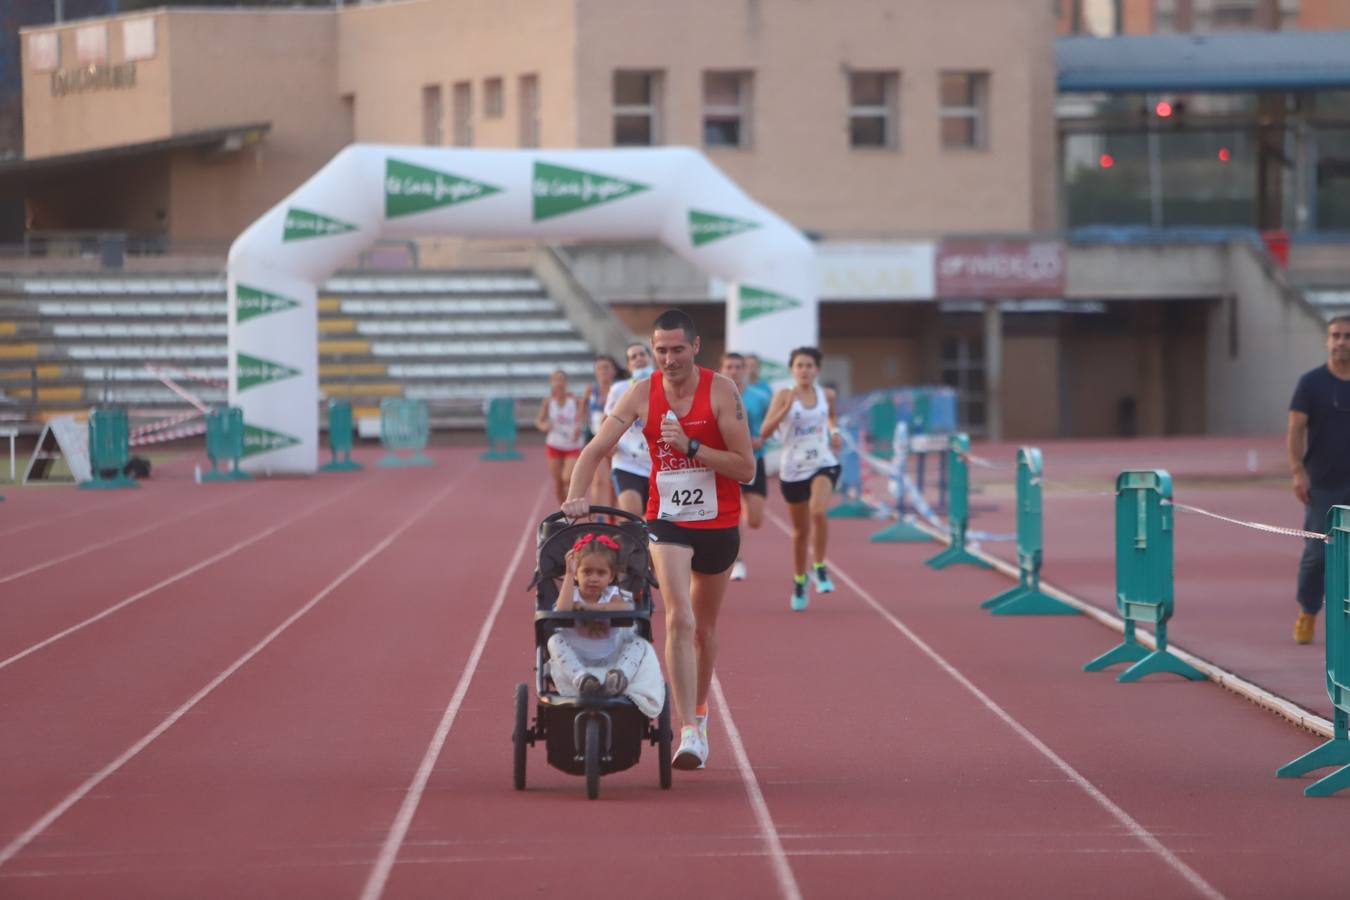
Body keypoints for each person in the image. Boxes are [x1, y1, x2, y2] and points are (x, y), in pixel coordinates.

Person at [562, 309, 755, 771]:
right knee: (679, 617)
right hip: (666, 520)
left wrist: (691, 447)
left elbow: (746, 469)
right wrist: (575, 496)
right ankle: (687, 728)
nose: (667, 359)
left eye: (676, 350)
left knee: (705, 630)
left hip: (718, 523)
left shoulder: (722, 392)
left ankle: (701, 711)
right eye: (660, 350)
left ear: (695, 347)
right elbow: (594, 449)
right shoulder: (641, 393)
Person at [760, 346, 843, 611]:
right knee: (800, 531)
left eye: (809, 365)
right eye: (799, 366)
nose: (804, 370)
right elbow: (764, 431)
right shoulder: (784, 395)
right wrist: (784, 409)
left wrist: (835, 431)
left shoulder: (826, 394)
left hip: (823, 462)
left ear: (817, 370)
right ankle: (799, 579)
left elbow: (830, 415)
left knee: (818, 512)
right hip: (794, 468)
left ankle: (819, 566)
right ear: (792, 370)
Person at [547, 532, 664, 716]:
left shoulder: (612, 595)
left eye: (601, 573)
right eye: (587, 572)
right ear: (577, 574)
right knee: (554, 641)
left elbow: (625, 607)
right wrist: (569, 575)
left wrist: (590, 608)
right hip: (577, 659)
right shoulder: (572, 595)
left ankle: (619, 677)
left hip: (611, 657)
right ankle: (582, 680)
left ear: (611, 577)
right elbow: (561, 610)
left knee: (640, 644)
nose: (593, 578)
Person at [1288, 315, 1350, 644]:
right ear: (1327, 341)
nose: (1341, 342)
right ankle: (1308, 610)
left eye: (1347, 336)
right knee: (1317, 555)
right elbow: (1296, 429)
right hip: (1323, 484)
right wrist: (1298, 471)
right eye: (1336, 336)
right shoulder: (1311, 383)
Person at [720, 352, 769, 581]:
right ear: (722, 369)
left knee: (755, 520)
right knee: (734, 512)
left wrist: (763, 437)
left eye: (738, 367)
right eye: (729, 367)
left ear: (745, 370)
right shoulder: (716, 395)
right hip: (727, 460)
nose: (733, 371)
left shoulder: (759, 397)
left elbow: (772, 424)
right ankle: (737, 560)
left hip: (754, 459)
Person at [606, 343, 655, 517]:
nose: (639, 358)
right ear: (628, 365)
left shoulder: (666, 385)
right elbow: (607, 420)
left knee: (653, 521)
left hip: (658, 464)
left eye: (642, 354)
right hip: (627, 462)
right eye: (633, 357)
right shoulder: (619, 389)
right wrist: (609, 443)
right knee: (631, 517)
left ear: (651, 357)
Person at [536, 369, 584, 504]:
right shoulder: (548, 402)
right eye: (555, 380)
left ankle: (572, 502)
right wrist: (544, 426)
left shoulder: (574, 400)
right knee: (558, 482)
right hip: (554, 444)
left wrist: (580, 427)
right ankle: (564, 511)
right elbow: (539, 421)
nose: (559, 383)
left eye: (561, 379)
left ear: (566, 382)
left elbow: (582, 419)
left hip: (572, 444)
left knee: (567, 478)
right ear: (551, 383)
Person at [584, 355, 625, 510]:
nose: (602, 371)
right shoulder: (591, 390)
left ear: (613, 371)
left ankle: (613, 513)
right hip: (597, 439)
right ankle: (597, 515)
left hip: (616, 441)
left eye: (606, 368)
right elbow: (582, 409)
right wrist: (584, 426)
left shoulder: (620, 390)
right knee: (598, 480)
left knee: (614, 479)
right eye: (599, 368)